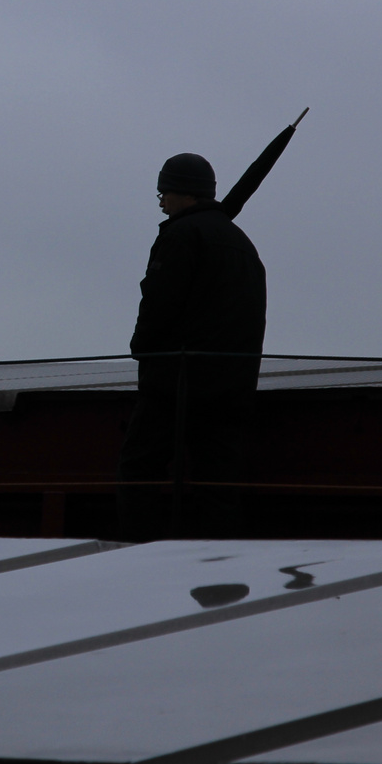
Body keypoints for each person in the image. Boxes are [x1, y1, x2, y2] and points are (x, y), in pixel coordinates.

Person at [119, 152, 266, 539]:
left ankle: (138, 554)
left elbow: (159, 304)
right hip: (232, 383)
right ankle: (218, 567)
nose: (161, 201)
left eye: (163, 193)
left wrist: (143, 352)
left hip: (177, 381)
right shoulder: (242, 245)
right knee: (218, 484)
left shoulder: (180, 235)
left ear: (183, 193)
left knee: (140, 469)